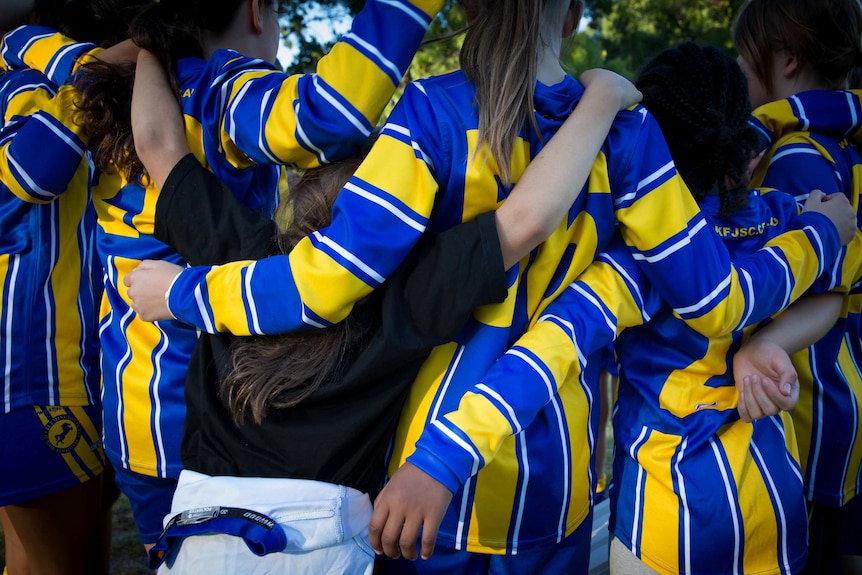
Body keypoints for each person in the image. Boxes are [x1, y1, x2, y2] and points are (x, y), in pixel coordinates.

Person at [125, 1, 848, 573]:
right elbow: (710, 297)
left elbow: (327, 281)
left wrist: (186, 293)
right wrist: (824, 235)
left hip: (423, 479)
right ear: (571, 17)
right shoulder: (630, 136)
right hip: (553, 485)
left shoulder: (427, 115)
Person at [126, 45, 642, 573]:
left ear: (301, 193)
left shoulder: (238, 261)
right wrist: (602, 98)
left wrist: (151, 36)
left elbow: (157, 142)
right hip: (323, 554)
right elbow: (528, 219)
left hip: (202, 542)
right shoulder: (404, 296)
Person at [0, 0, 446, 554]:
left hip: (135, 420)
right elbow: (331, 111)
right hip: (225, 422)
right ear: (259, 11)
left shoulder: (102, 89)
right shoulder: (221, 90)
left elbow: (22, 43)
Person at [0, 1, 146, 573]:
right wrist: (154, 40)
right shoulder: (18, 83)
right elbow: (29, 176)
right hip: (34, 375)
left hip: (83, 370)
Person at [732, 0, 862, 571]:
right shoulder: (846, 143)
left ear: (785, 60)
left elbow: (813, 288)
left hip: (811, 414)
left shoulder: (791, 160)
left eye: (743, 56)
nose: (738, 68)